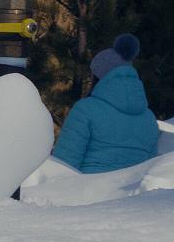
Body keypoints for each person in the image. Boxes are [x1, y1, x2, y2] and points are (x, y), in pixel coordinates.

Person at [52, 33, 159, 173]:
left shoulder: (85, 110)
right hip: (133, 194)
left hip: (86, 192)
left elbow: (63, 165)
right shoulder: (149, 118)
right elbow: (151, 169)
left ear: (98, 77)